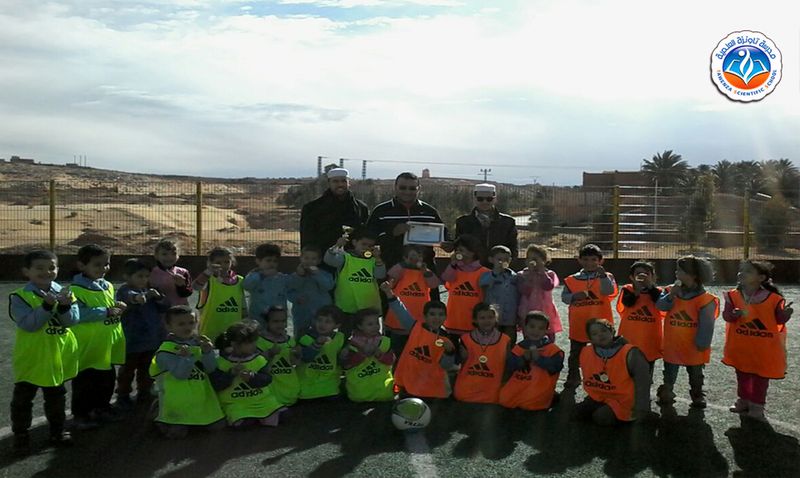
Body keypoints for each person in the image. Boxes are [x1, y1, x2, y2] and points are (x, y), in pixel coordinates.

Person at [9, 250, 79, 454]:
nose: (46, 272)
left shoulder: (66, 293)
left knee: (56, 398)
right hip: (31, 357)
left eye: (51, 268)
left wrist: (65, 307)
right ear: (26, 271)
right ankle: (21, 435)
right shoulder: (20, 296)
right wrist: (46, 307)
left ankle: (57, 432)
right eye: (39, 268)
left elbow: (72, 322)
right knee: (22, 400)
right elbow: (29, 325)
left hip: (56, 356)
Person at [722, 260, 792, 421]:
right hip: (741, 346)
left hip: (764, 348)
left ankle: (757, 406)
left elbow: (779, 320)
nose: (741, 273)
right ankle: (743, 401)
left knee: (760, 378)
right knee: (742, 375)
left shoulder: (773, 298)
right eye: (741, 270)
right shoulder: (733, 295)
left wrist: (786, 314)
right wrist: (733, 314)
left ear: (761, 278)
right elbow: (727, 316)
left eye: (748, 271)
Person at [69, 244, 127, 429]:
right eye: (97, 264)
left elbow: (109, 306)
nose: (103, 268)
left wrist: (118, 307)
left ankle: (102, 408)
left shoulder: (107, 285)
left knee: (107, 379)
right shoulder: (75, 289)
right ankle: (81, 415)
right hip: (88, 347)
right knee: (85, 382)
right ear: (82, 266)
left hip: (106, 345)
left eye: (106, 264)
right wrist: (106, 311)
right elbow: (78, 314)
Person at [149, 305, 225, 439]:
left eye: (191, 322)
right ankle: (158, 412)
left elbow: (211, 369)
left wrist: (207, 352)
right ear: (169, 326)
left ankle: (194, 419)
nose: (187, 327)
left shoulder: (199, 342)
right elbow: (181, 375)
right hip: (178, 400)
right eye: (181, 324)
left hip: (201, 398)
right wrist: (186, 358)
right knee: (177, 434)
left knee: (217, 427)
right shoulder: (166, 350)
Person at [656, 255, 719, 408]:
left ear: (693, 275)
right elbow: (660, 306)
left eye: (680, 271)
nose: (676, 273)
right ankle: (667, 391)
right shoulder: (670, 290)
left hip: (694, 344)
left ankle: (697, 395)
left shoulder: (705, 299)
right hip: (673, 343)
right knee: (669, 371)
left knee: (696, 372)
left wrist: (703, 342)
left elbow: (707, 324)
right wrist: (671, 295)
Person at [382, 282, 456, 399]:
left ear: (445, 317)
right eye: (432, 314)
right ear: (425, 316)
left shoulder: (445, 339)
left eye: (440, 314)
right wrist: (388, 293)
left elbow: (446, 366)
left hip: (429, 389)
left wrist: (449, 353)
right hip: (407, 384)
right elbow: (400, 310)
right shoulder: (415, 327)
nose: (436, 318)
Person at [366, 171, 447, 275]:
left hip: (424, 271)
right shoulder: (381, 211)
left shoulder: (429, 211)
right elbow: (369, 239)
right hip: (389, 270)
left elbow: (445, 235)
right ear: (395, 187)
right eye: (403, 188)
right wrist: (392, 233)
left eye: (412, 188)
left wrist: (447, 244)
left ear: (419, 189)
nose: (407, 192)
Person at [561, 244, 618, 388]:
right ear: (579, 260)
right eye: (585, 259)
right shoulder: (572, 279)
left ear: (600, 261)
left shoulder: (607, 276)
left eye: (594, 260)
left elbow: (609, 291)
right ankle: (573, 377)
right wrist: (574, 296)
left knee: (604, 352)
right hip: (579, 323)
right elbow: (564, 298)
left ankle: (604, 378)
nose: (590, 263)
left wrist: (603, 276)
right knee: (575, 353)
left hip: (601, 323)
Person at [576, 319, 652, 426]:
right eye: (595, 334)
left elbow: (643, 381)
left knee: (601, 418)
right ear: (590, 339)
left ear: (612, 331)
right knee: (576, 413)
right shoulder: (586, 352)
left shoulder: (630, 353)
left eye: (604, 330)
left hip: (623, 401)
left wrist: (641, 408)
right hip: (599, 397)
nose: (600, 335)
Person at [115, 259, 169, 410]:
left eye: (146, 276)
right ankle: (123, 395)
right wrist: (139, 298)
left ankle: (144, 393)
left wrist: (159, 297)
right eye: (139, 276)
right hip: (132, 340)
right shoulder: (124, 290)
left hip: (151, 340)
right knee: (127, 371)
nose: (144, 280)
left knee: (147, 370)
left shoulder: (151, 291)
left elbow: (165, 306)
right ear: (127, 277)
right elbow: (130, 297)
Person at [211, 320, 286, 427]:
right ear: (234, 344)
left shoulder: (258, 359)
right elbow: (216, 385)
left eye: (254, 342)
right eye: (248, 343)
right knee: (243, 422)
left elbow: (267, 379)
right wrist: (231, 374)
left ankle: (261, 418)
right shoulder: (222, 363)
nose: (253, 346)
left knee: (284, 415)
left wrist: (252, 377)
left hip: (261, 401)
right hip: (236, 403)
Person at [325, 226, 386, 336]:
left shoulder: (374, 261)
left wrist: (378, 258)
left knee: (368, 337)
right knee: (345, 336)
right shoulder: (345, 257)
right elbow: (329, 260)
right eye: (363, 244)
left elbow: (380, 274)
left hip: (368, 308)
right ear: (354, 242)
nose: (366, 248)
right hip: (346, 308)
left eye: (370, 246)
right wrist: (337, 245)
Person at [499, 311, 564, 411]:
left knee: (531, 404)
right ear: (525, 327)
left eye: (541, 328)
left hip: (538, 391)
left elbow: (556, 368)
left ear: (547, 330)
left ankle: (551, 398)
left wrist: (538, 359)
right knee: (503, 399)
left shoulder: (553, 350)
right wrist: (523, 358)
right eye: (532, 326)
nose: (536, 331)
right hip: (520, 387)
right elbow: (509, 366)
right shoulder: (518, 347)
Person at [382, 245, 440, 356]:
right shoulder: (400, 269)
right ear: (405, 258)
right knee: (397, 350)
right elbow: (391, 281)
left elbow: (434, 284)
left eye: (419, 256)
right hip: (398, 319)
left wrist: (425, 271)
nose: (416, 260)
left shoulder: (425, 272)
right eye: (412, 256)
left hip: (418, 318)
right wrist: (402, 265)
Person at [300, 167, 369, 253]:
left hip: (353, 259)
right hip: (322, 257)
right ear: (329, 183)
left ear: (349, 183)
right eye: (335, 181)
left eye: (343, 181)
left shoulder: (361, 208)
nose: (340, 184)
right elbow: (307, 239)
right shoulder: (312, 208)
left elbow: (364, 236)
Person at [453, 303, 512, 404]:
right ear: (475, 320)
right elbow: (459, 363)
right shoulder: (465, 339)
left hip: (492, 394)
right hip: (466, 391)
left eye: (490, 317)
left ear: (496, 319)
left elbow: (508, 366)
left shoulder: (505, 340)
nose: (486, 321)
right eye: (482, 318)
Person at [616, 261, 665, 379]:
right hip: (630, 336)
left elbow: (660, 304)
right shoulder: (627, 289)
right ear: (631, 277)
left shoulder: (658, 292)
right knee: (627, 365)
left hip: (649, 338)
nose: (642, 276)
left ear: (653, 276)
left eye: (646, 274)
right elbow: (628, 303)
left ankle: (645, 385)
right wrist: (637, 290)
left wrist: (650, 287)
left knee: (647, 367)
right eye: (638, 274)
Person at [454, 183, 518, 266]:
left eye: (489, 199)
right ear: (474, 199)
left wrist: (504, 267)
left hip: (498, 269)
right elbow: (459, 248)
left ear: (495, 199)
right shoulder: (463, 222)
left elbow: (513, 249)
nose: (485, 202)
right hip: (471, 269)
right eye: (480, 199)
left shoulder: (508, 222)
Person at [341, 308, 396, 402]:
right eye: (370, 324)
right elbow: (346, 365)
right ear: (359, 326)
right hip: (360, 394)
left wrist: (380, 355)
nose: (375, 327)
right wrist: (362, 354)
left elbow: (391, 360)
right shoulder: (352, 344)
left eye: (377, 323)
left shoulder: (385, 341)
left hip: (383, 393)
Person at [193, 246, 246, 343]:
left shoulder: (240, 280)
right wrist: (208, 272)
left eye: (226, 262)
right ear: (210, 263)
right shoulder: (208, 280)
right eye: (218, 262)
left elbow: (243, 308)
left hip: (233, 335)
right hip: (209, 335)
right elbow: (196, 287)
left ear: (232, 262)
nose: (223, 265)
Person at [442, 235, 490, 336]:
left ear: (472, 252)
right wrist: (452, 264)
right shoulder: (454, 268)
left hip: (474, 324)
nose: (458, 253)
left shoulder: (484, 272)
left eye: (461, 250)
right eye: (457, 250)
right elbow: (447, 278)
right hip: (453, 321)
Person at [297, 305, 345, 400]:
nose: (322, 324)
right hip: (307, 389)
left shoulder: (340, 338)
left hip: (331, 389)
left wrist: (345, 354)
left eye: (328, 321)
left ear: (337, 325)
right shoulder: (306, 337)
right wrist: (317, 344)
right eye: (319, 320)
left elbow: (340, 361)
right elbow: (305, 358)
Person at [256, 306, 301, 406]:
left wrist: (297, 354)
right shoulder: (259, 341)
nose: (280, 324)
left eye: (283, 321)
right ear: (267, 322)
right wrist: (270, 354)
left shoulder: (290, 340)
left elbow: (295, 363)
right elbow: (257, 368)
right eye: (275, 321)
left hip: (290, 389)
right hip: (272, 394)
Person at [286, 245, 334, 336]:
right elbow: (289, 290)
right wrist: (299, 276)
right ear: (301, 258)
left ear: (319, 261)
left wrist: (317, 275)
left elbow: (328, 286)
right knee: (301, 335)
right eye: (306, 258)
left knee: (321, 334)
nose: (309, 261)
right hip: (302, 312)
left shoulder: (324, 274)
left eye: (313, 259)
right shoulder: (294, 276)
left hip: (321, 312)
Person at [517, 244, 562, 339]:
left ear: (544, 261)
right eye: (529, 258)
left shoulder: (550, 274)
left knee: (549, 336)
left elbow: (548, 287)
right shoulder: (522, 275)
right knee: (529, 336)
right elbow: (524, 291)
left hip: (545, 310)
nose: (532, 262)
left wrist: (542, 273)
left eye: (535, 259)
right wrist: (530, 275)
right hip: (528, 310)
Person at [243, 243, 289, 327]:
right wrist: (261, 275)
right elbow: (246, 286)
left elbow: (294, 286)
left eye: (275, 261)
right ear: (258, 261)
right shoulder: (254, 275)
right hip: (258, 318)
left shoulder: (281, 278)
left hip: (278, 319)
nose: (272, 264)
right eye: (268, 260)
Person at [479, 245, 519, 340]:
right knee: (493, 340)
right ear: (491, 260)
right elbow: (482, 283)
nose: (502, 262)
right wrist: (495, 273)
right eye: (499, 259)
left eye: (506, 259)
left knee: (509, 340)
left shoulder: (515, 277)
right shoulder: (487, 275)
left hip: (510, 318)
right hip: (493, 318)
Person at [149, 238, 192, 307]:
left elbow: (187, 293)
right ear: (156, 255)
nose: (169, 257)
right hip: (159, 310)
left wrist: (181, 286)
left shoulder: (183, 272)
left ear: (178, 255)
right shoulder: (151, 273)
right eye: (164, 254)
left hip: (179, 309)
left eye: (173, 254)